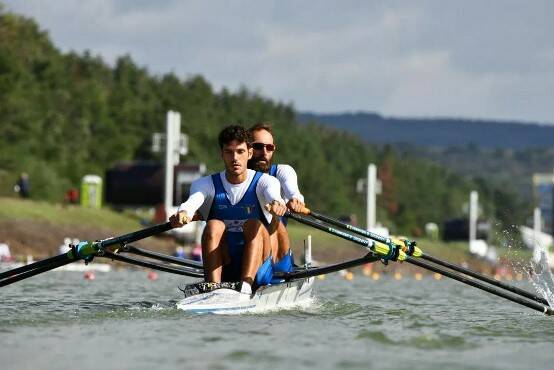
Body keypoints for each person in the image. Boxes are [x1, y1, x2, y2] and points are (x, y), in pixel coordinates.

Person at [169, 125, 286, 294]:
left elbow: (273, 195)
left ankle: (246, 284)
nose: (235, 158)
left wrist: (277, 203)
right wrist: (183, 213)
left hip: (260, 270)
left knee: (253, 224)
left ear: (250, 154)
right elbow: (193, 201)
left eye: (240, 151)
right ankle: (213, 287)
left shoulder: (266, 182)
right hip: (226, 262)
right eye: (229, 152)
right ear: (222, 155)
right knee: (213, 225)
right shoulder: (205, 184)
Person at [247, 122, 305, 273]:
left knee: (272, 219)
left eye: (269, 147)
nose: (264, 152)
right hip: (243, 253)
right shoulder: (234, 179)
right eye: (258, 147)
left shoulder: (282, 172)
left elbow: (294, 192)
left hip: (276, 258)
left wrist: (296, 201)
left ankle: (266, 272)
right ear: (247, 149)